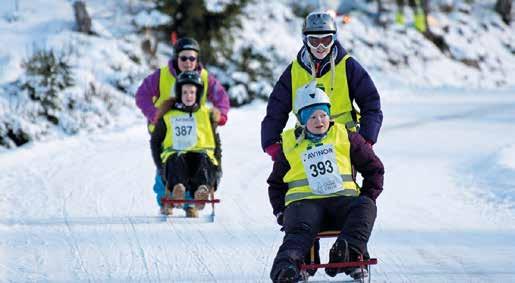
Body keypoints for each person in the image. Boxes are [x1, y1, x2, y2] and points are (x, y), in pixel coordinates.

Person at [268, 82, 384, 282]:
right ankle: (286, 267)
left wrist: (368, 196)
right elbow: (276, 183)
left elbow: (374, 168)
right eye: (312, 116)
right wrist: (281, 211)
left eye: (323, 114)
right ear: (302, 120)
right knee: (297, 236)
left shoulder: (346, 136)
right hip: (305, 205)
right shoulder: (290, 143)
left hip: (343, 202)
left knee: (366, 207)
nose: (319, 121)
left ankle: (347, 254)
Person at [261, 11, 383, 162]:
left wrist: (365, 140)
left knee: (345, 184)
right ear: (305, 40)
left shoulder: (347, 65)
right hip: (307, 142)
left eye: (326, 40)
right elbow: (276, 108)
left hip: (344, 141)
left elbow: (371, 102)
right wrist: (271, 142)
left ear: (334, 39)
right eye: (314, 41)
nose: (320, 47)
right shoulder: (294, 71)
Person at [135, 37, 230, 213]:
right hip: (167, 127)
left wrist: (220, 115)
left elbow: (221, 98)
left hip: (195, 132)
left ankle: (190, 203)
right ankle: (167, 200)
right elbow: (142, 95)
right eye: (184, 58)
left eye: (192, 58)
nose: (188, 62)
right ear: (176, 58)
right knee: (167, 165)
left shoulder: (204, 77)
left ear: (197, 59)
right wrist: (155, 114)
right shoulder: (162, 75)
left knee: (196, 164)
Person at [150, 71, 219, 217]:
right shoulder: (168, 116)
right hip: (175, 154)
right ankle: (178, 189)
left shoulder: (206, 115)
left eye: (192, 92)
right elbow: (155, 142)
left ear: (198, 94)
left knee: (203, 161)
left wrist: (218, 167)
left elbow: (216, 143)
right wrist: (159, 165)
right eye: (185, 92)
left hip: (200, 154)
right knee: (177, 160)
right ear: (179, 93)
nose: (189, 96)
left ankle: (201, 191)